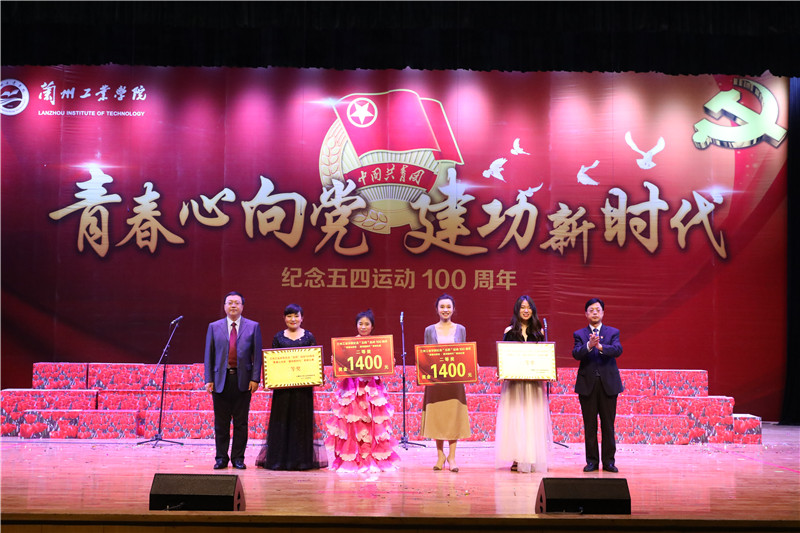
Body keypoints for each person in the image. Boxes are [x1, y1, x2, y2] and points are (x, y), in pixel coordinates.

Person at [324, 310, 401, 472]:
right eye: (361, 324)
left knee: (372, 423)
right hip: (353, 389)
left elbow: (384, 365)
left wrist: (389, 361)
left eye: (367, 324)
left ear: (372, 326)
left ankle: (371, 457)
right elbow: (341, 367)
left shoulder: (378, 345)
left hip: (371, 389)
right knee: (353, 424)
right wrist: (336, 361)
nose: (363, 327)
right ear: (356, 325)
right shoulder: (348, 345)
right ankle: (354, 458)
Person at [256, 303, 323, 471]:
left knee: (301, 422)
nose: (293, 319)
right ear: (284, 318)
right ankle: (279, 461)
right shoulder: (278, 337)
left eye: (296, 316)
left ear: (302, 318)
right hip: (282, 390)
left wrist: (318, 376)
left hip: (303, 390)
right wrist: (269, 380)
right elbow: (272, 363)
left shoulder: (309, 336)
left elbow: (314, 361)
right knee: (282, 421)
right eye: (289, 316)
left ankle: (302, 461)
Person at [204, 291, 263, 470]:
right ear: (224, 306)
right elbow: (209, 355)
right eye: (230, 303)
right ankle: (221, 458)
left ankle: (238, 458)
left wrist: (255, 378)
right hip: (220, 380)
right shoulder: (214, 327)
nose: (233, 306)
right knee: (220, 423)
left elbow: (257, 356)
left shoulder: (253, 326)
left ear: (242, 306)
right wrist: (209, 379)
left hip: (243, 380)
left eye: (237, 303)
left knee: (241, 423)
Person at [495, 295, 551, 473]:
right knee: (516, 417)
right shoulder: (510, 330)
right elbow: (504, 355)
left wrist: (548, 371)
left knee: (532, 417)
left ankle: (532, 456)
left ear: (533, 310)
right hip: (515, 383)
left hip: (533, 385)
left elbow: (545, 356)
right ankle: (517, 457)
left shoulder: (539, 331)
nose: (526, 310)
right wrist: (502, 372)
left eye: (529, 307)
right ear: (517, 310)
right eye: (522, 307)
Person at [420, 294, 471, 472]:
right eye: (442, 307)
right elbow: (425, 355)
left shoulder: (461, 329)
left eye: (448, 306)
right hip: (436, 382)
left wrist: (471, 363)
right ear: (437, 309)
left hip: (454, 381)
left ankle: (452, 457)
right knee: (438, 417)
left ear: (453, 309)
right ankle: (440, 455)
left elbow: (464, 352)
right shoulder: (429, 330)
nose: (445, 310)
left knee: (453, 417)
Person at [572, 297, 623, 473]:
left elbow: (617, 350)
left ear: (603, 313)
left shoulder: (613, 332)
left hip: (608, 385)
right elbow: (576, 354)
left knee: (608, 425)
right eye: (591, 310)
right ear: (586, 314)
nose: (594, 313)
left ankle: (609, 462)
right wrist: (589, 345)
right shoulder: (579, 334)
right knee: (590, 425)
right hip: (588, 386)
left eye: (598, 310)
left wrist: (600, 347)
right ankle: (592, 461)